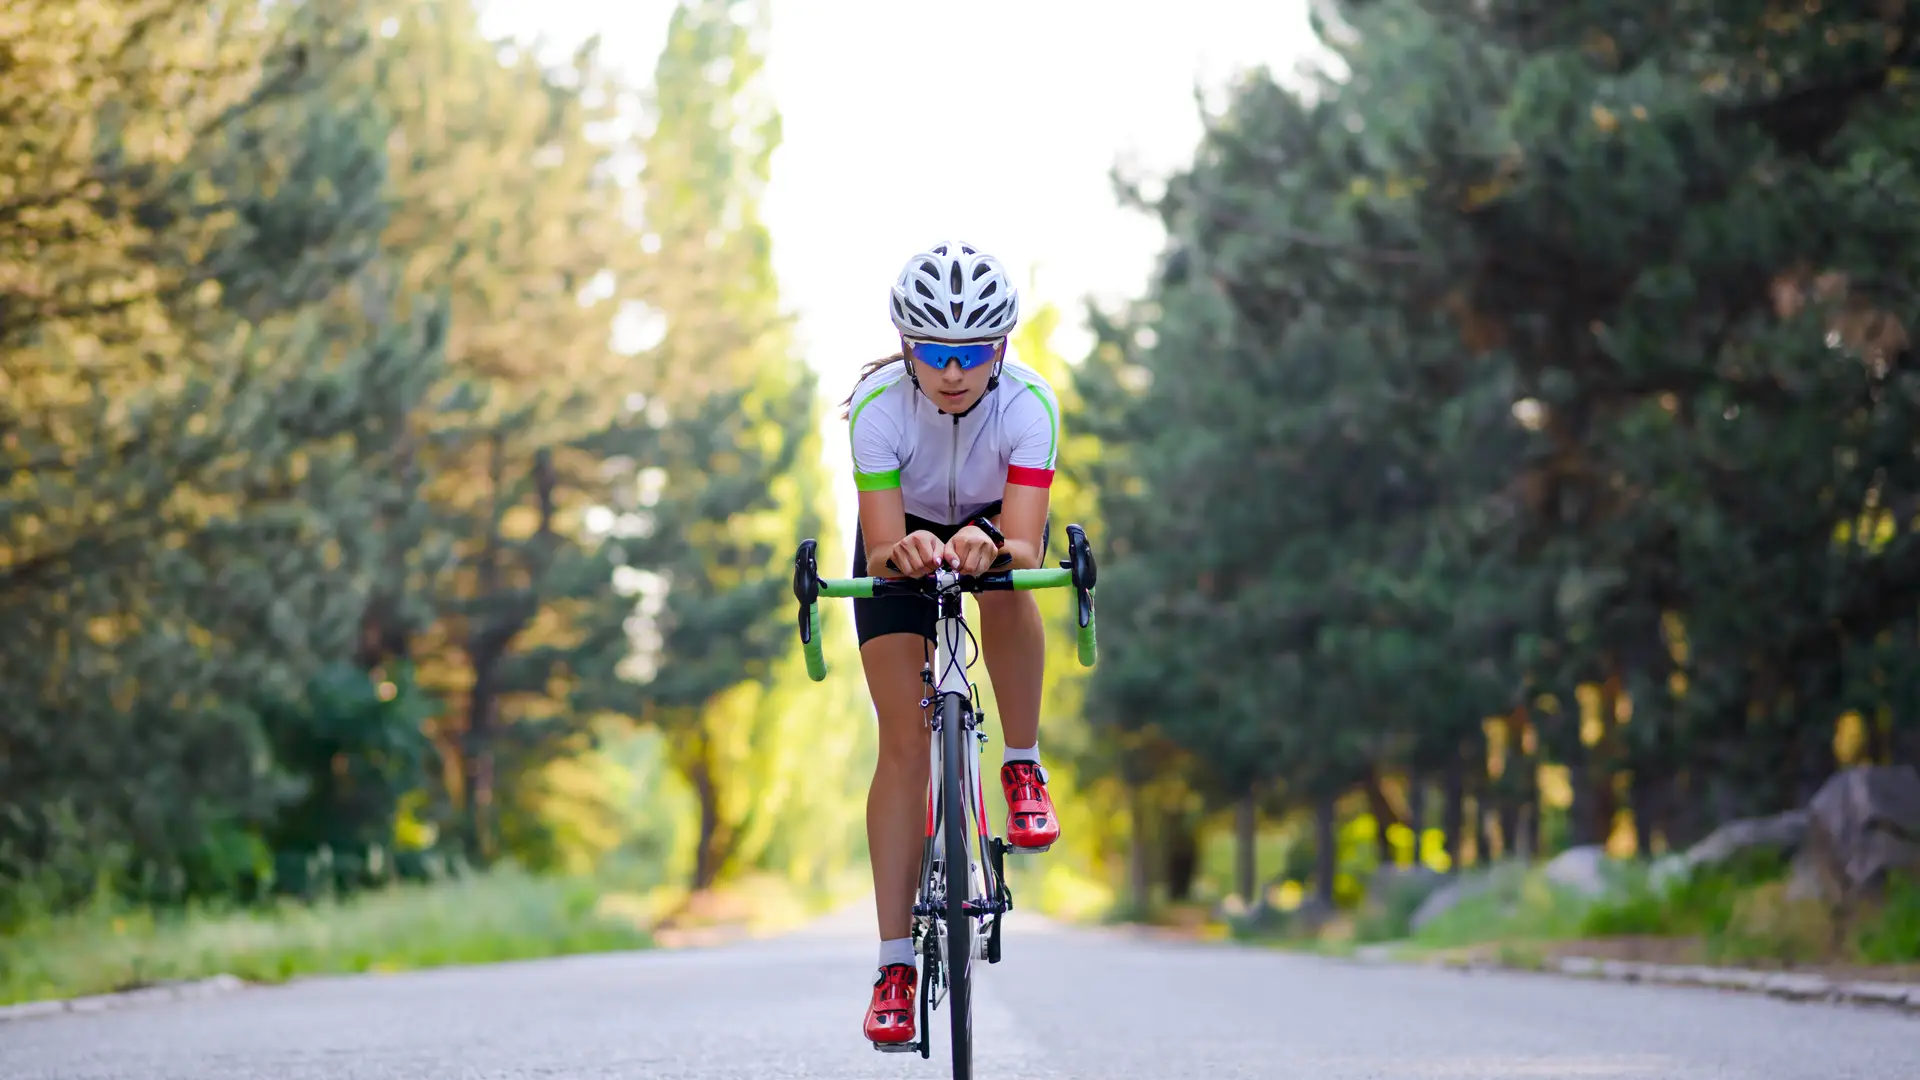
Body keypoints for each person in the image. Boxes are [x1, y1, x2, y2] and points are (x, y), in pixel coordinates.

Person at [842, 241, 1062, 1049]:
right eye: (934, 351)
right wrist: (903, 556)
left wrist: (991, 545)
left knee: (1008, 584)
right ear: (907, 345)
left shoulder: (1031, 405)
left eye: (973, 352)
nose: (954, 370)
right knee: (903, 743)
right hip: (901, 539)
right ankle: (893, 964)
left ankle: (1022, 761)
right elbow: (877, 548)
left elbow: (1030, 545)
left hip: (996, 526)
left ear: (1002, 345)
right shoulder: (878, 407)